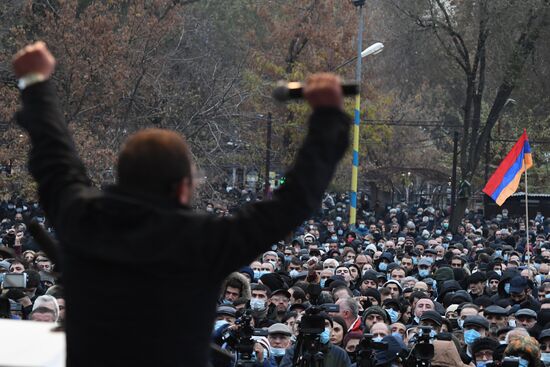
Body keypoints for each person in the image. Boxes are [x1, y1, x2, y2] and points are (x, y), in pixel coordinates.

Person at [12, 42, 351, 367]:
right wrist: (327, 116)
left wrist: (35, 82)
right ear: (182, 188)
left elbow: (53, 157)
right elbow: (293, 201)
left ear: (122, 175)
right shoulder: (203, 241)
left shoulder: (82, 218)